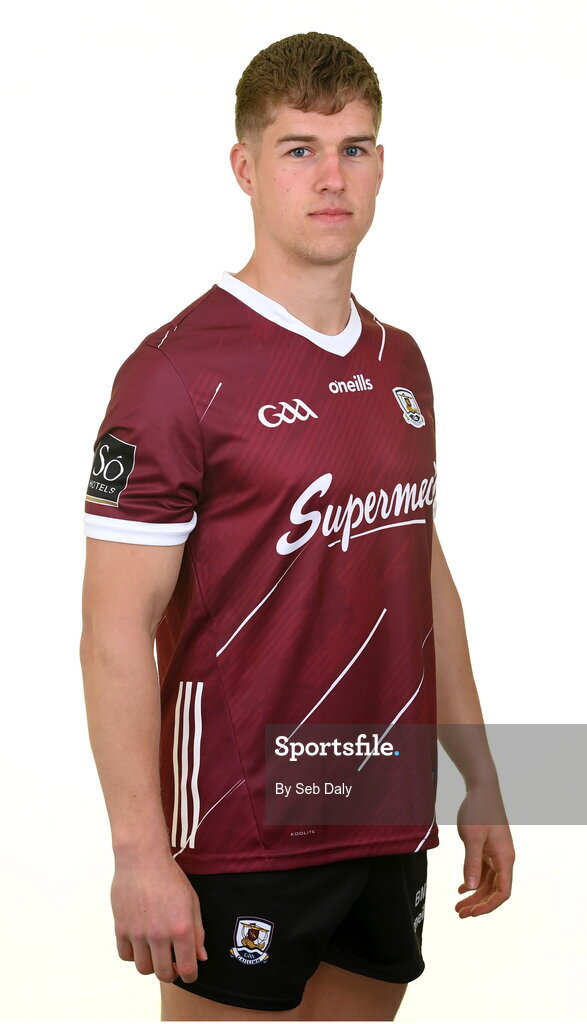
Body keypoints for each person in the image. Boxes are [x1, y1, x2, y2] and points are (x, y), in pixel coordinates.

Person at [80, 31, 515, 1023]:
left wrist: (478, 773)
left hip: (382, 813)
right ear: (244, 165)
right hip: (241, 829)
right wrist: (139, 850)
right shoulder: (175, 373)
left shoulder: (401, 361)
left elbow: (419, 569)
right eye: (298, 148)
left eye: (353, 148)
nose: (330, 176)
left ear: (380, 165)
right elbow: (112, 631)